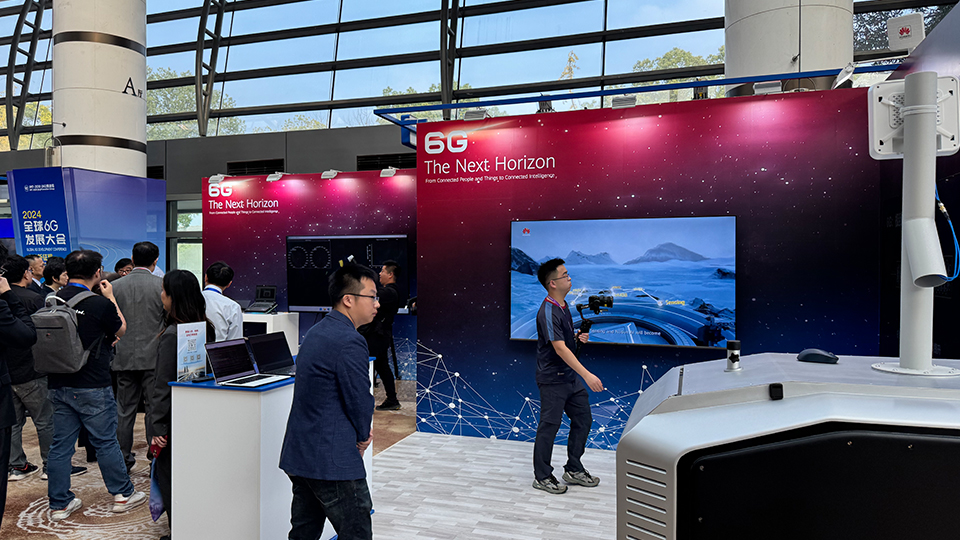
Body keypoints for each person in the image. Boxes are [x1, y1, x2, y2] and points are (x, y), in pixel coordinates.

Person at [46, 249, 146, 521]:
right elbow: (121, 329)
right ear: (98, 272)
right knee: (105, 441)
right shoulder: (99, 303)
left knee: (60, 446)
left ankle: (59, 504)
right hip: (93, 383)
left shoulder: (51, 300)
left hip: (58, 382)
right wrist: (110, 296)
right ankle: (122, 494)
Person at [280, 263, 377, 540]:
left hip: (302, 453)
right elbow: (359, 399)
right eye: (372, 296)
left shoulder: (317, 331)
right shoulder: (349, 340)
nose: (377, 304)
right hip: (332, 460)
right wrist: (363, 436)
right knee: (356, 532)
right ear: (349, 299)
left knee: (304, 531)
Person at [150, 270, 214, 538]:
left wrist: (157, 426)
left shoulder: (172, 334)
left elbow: (162, 385)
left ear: (173, 296)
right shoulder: (206, 327)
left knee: (169, 477)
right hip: (197, 414)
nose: (161, 296)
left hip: (173, 419)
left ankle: (179, 531)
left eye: (164, 291)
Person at [531, 258, 603, 495]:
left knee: (583, 420)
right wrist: (587, 375)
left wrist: (576, 337)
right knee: (549, 427)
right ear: (552, 283)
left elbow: (564, 341)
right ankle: (542, 476)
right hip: (553, 379)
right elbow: (559, 348)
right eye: (565, 275)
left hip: (569, 378)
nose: (569, 278)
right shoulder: (548, 310)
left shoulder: (563, 306)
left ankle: (573, 468)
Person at [111, 241, 165, 472]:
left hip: (123, 357)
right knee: (154, 409)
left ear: (132, 259)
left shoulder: (114, 286)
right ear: (156, 260)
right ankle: (155, 459)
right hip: (154, 358)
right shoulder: (162, 286)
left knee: (124, 410)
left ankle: (122, 458)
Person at [3, 255, 52, 481]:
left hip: (7, 372)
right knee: (44, 420)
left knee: (13, 423)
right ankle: (50, 466)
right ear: (25, 273)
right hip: (32, 369)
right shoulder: (34, 299)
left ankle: (17, 466)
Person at [0, 244, 37, 529]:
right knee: (45, 421)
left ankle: (17, 463)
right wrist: (7, 296)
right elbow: (26, 335)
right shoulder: (14, 299)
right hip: (25, 373)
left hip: (11, 377)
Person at [360, 260, 405, 411]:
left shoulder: (389, 293)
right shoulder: (388, 292)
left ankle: (365, 400)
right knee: (382, 366)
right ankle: (392, 399)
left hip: (378, 336)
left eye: (383, 271)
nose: (380, 274)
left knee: (371, 366)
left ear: (390, 274)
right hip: (379, 335)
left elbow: (371, 293)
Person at [202, 261, 243, 342]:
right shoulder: (233, 306)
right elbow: (235, 341)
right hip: (218, 349)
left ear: (205, 277)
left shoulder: (190, 300)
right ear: (229, 284)